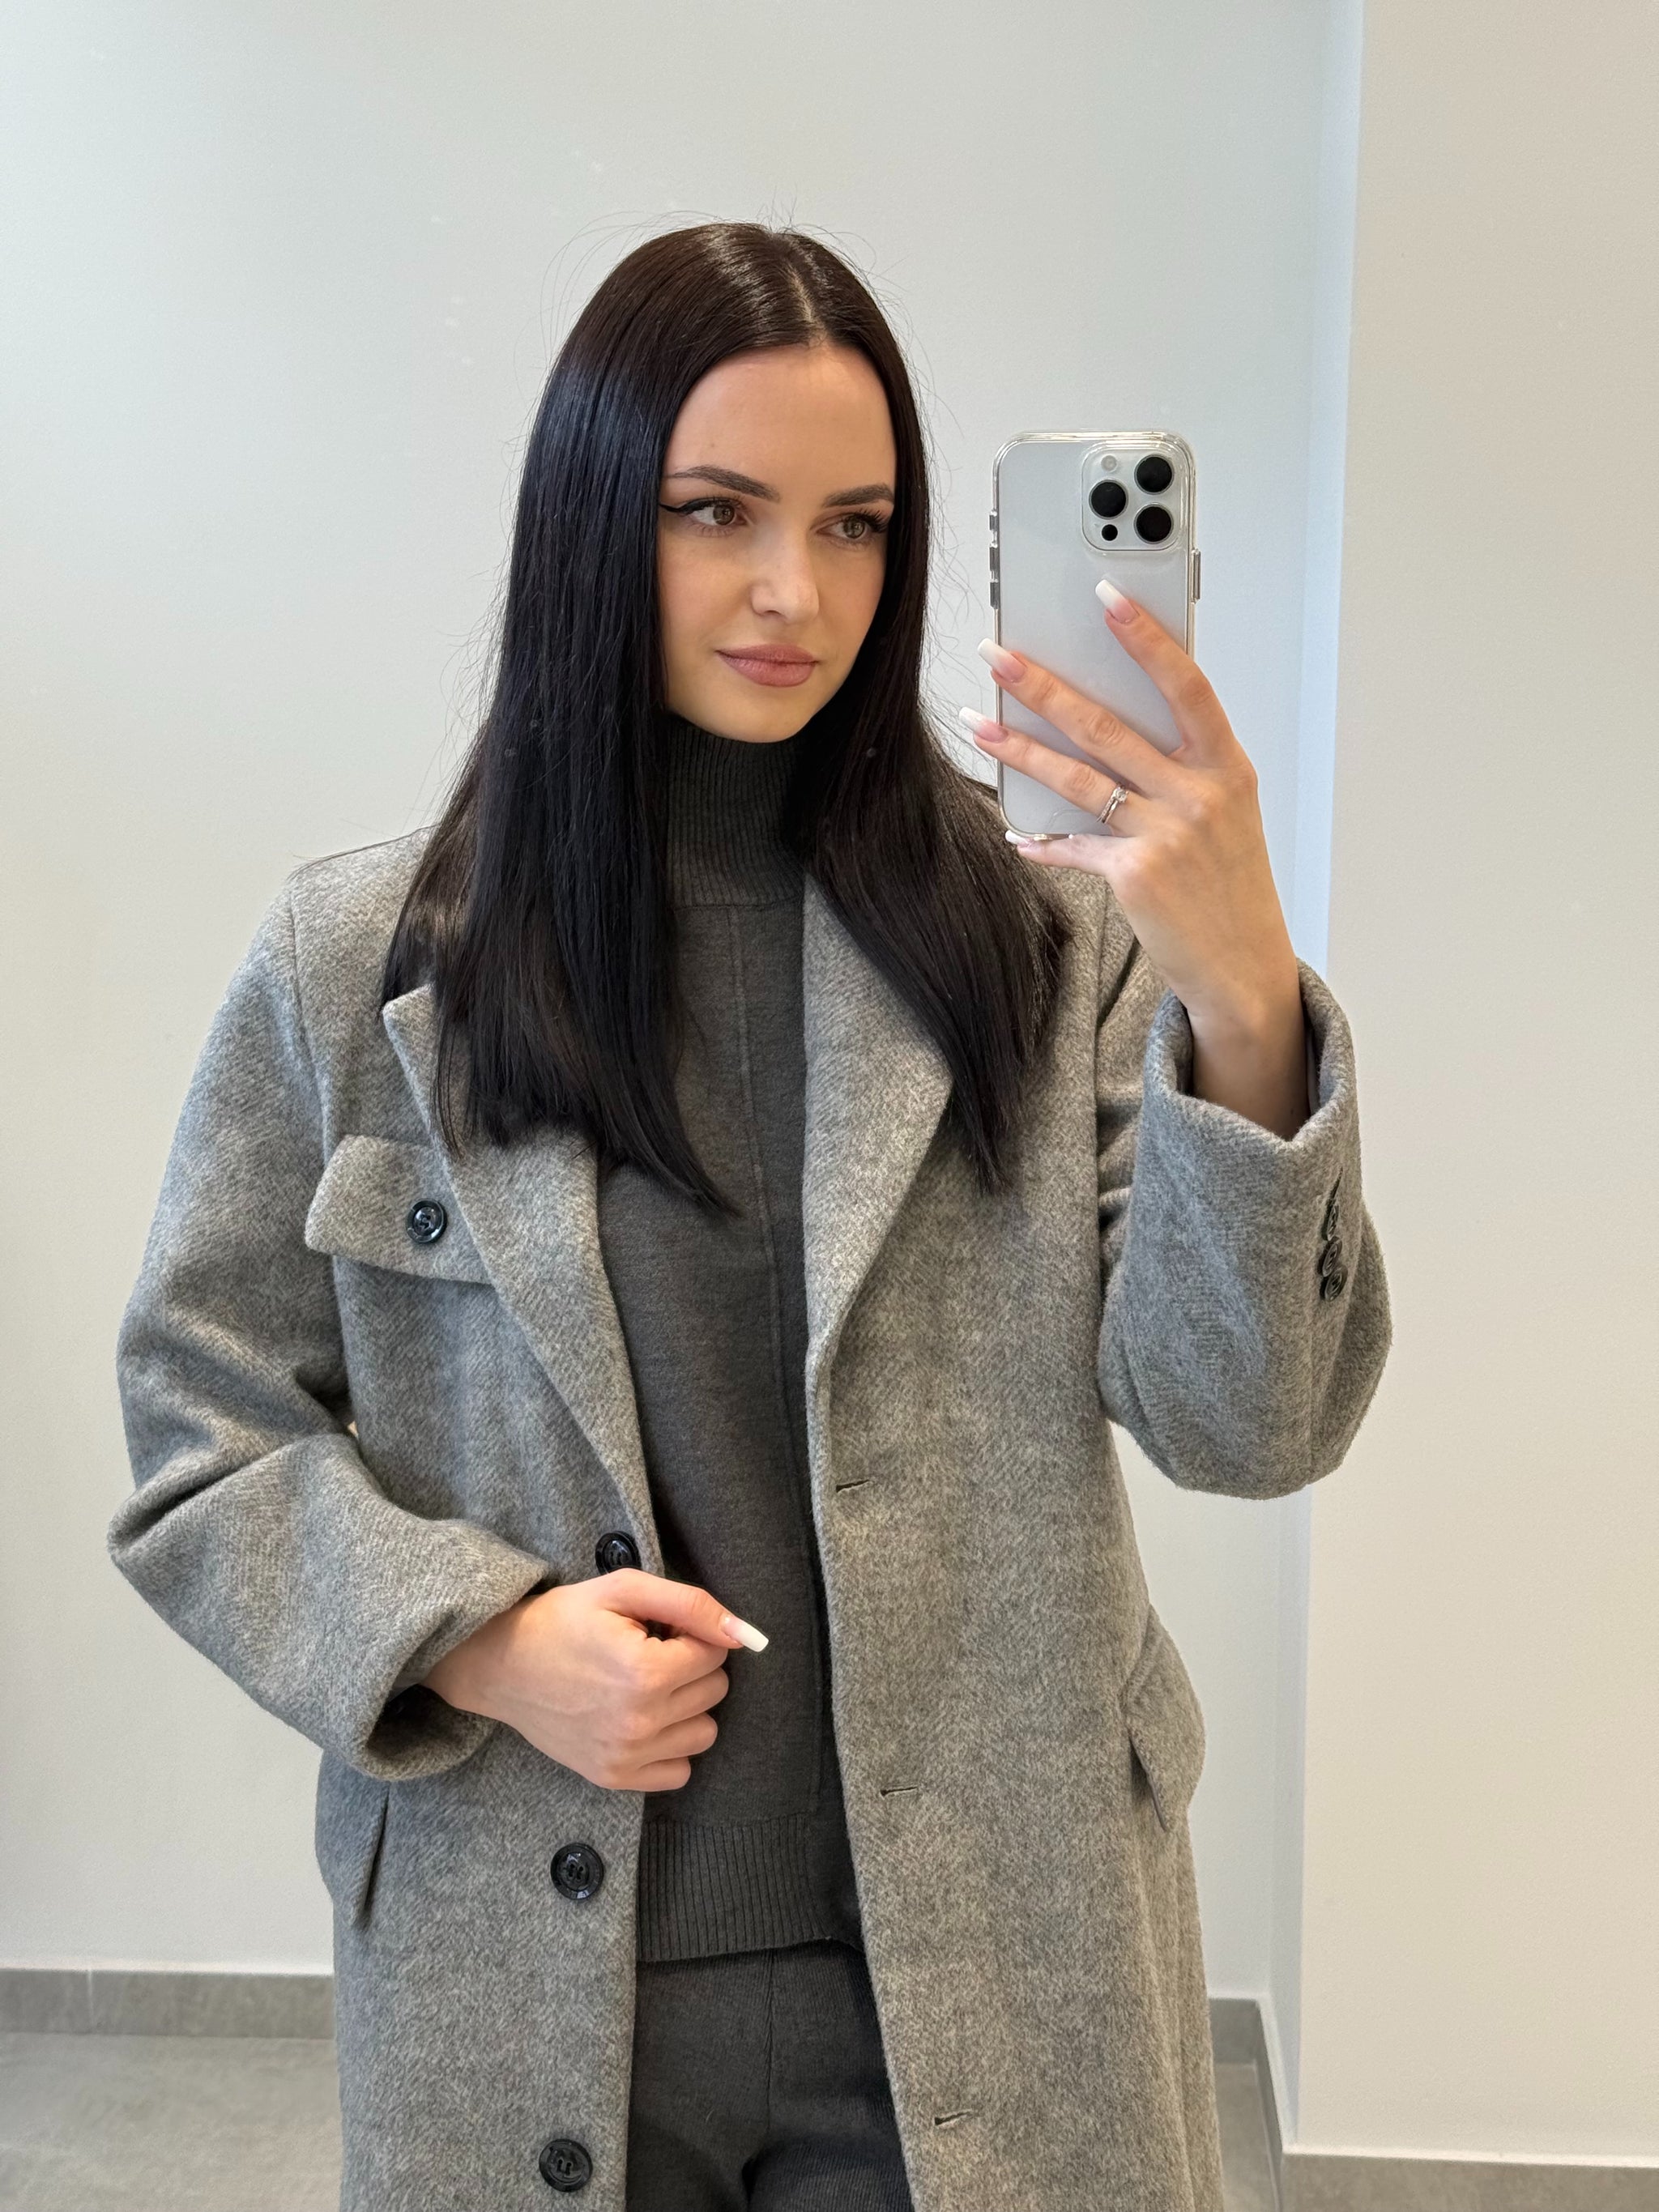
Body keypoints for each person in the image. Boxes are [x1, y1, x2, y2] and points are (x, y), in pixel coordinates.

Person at [109, 222, 1392, 2212]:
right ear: (593, 521)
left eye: (857, 525)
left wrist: (1239, 994)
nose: (797, 592)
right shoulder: (358, 965)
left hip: (989, 1972)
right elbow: (203, 1435)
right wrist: (482, 1639)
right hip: (526, 1964)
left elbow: (1249, 1425)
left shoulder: (1047, 944)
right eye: (717, 513)